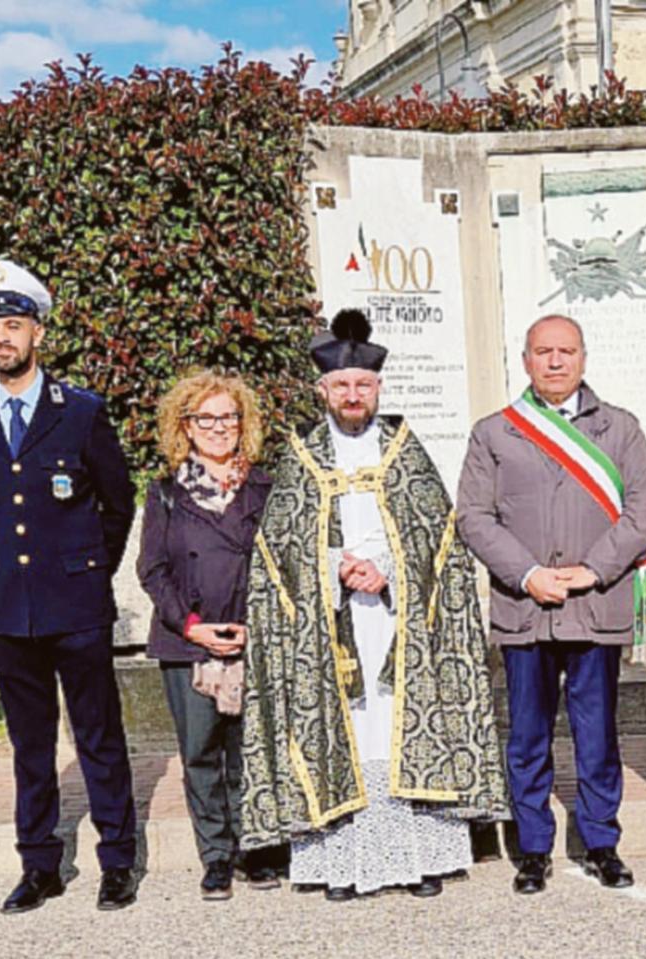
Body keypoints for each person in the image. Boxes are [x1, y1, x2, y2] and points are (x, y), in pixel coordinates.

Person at [236, 309, 509, 900]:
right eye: (341, 386)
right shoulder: (300, 458)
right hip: (327, 625)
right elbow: (277, 549)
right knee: (347, 734)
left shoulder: (406, 452)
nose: (353, 395)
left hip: (397, 621)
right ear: (323, 390)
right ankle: (340, 864)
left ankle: (422, 859)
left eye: (363, 385)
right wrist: (333, 568)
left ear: (378, 388)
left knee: (397, 727)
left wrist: (386, 571)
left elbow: (438, 537)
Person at [0, 258, 139, 913]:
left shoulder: (80, 411)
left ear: (37, 333)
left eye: (14, 324)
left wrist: (87, 567)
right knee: (31, 745)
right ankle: (40, 865)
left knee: (98, 736)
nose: (2, 336)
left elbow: (118, 501)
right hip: (7, 607)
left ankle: (118, 858)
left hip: (77, 603)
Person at [456, 315, 646, 894]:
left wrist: (594, 569)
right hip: (526, 609)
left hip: (595, 605)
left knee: (597, 735)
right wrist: (527, 574)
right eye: (543, 352)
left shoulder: (619, 429)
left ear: (583, 357)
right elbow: (473, 515)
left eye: (565, 351)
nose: (554, 362)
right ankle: (533, 848)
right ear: (525, 360)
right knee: (527, 735)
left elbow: (645, 511)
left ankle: (602, 842)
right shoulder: (495, 433)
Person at [137, 371, 287, 899]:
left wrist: (257, 623)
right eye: (206, 418)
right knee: (201, 752)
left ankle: (255, 848)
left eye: (228, 417)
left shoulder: (267, 488)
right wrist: (194, 627)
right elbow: (152, 570)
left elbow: (284, 566)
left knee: (250, 750)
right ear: (186, 426)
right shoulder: (166, 493)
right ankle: (216, 856)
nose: (218, 428)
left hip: (254, 638)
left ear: (243, 424)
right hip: (188, 642)